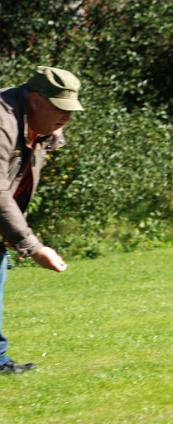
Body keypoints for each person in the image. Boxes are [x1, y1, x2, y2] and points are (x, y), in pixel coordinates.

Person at [0, 66, 82, 374]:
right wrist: (33, 247)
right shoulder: (3, 121)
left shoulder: (35, 123)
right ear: (35, 99)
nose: (68, 117)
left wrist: (52, 133)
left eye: (71, 110)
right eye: (61, 108)